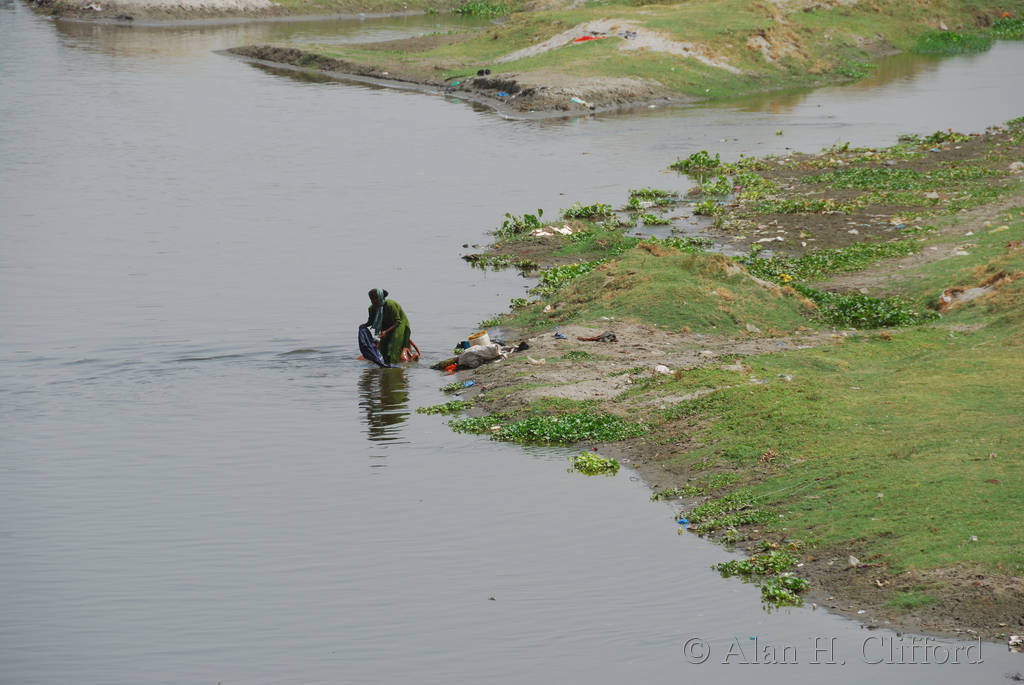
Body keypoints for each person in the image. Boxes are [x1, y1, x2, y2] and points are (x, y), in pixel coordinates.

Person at [360, 288, 417, 364]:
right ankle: (385, 364)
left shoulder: (390, 305)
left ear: (380, 298)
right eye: (371, 299)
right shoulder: (371, 308)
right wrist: (364, 325)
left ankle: (394, 365)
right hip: (386, 324)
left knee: (394, 346)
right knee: (383, 348)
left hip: (400, 324)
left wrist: (386, 332)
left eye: (375, 299)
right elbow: (371, 321)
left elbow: (397, 321)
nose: (373, 301)